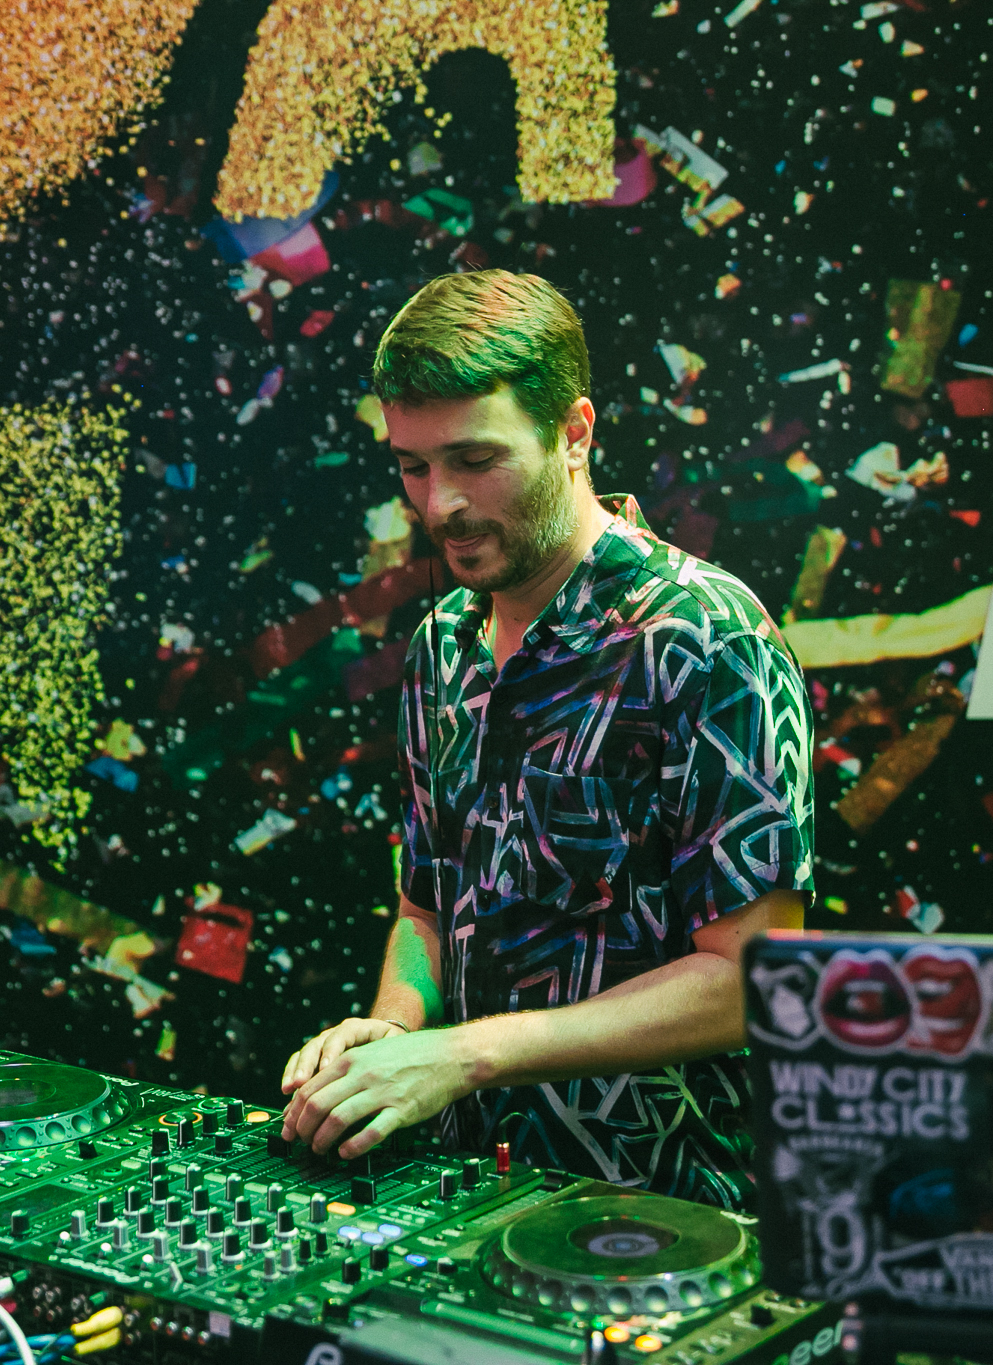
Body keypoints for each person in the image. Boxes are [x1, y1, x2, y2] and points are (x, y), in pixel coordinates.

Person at [278, 269, 812, 1206]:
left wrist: (464, 1056)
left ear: (574, 433)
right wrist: (395, 1030)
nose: (439, 504)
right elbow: (427, 909)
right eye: (413, 466)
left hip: (661, 1215)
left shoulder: (705, 636)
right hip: (465, 1197)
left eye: (475, 459)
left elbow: (749, 980)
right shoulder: (442, 644)